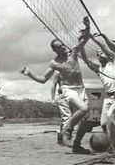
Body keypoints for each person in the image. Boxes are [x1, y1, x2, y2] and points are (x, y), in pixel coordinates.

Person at [21, 16, 92, 154]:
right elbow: (43, 79)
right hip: (68, 89)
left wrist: (87, 26)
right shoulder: (54, 63)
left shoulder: (73, 53)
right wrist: (29, 74)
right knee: (83, 109)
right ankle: (67, 130)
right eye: (60, 47)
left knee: (86, 120)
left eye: (63, 45)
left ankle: (76, 145)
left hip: (81, 88)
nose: (64, 48)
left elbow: (85, 39)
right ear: (56, 51)